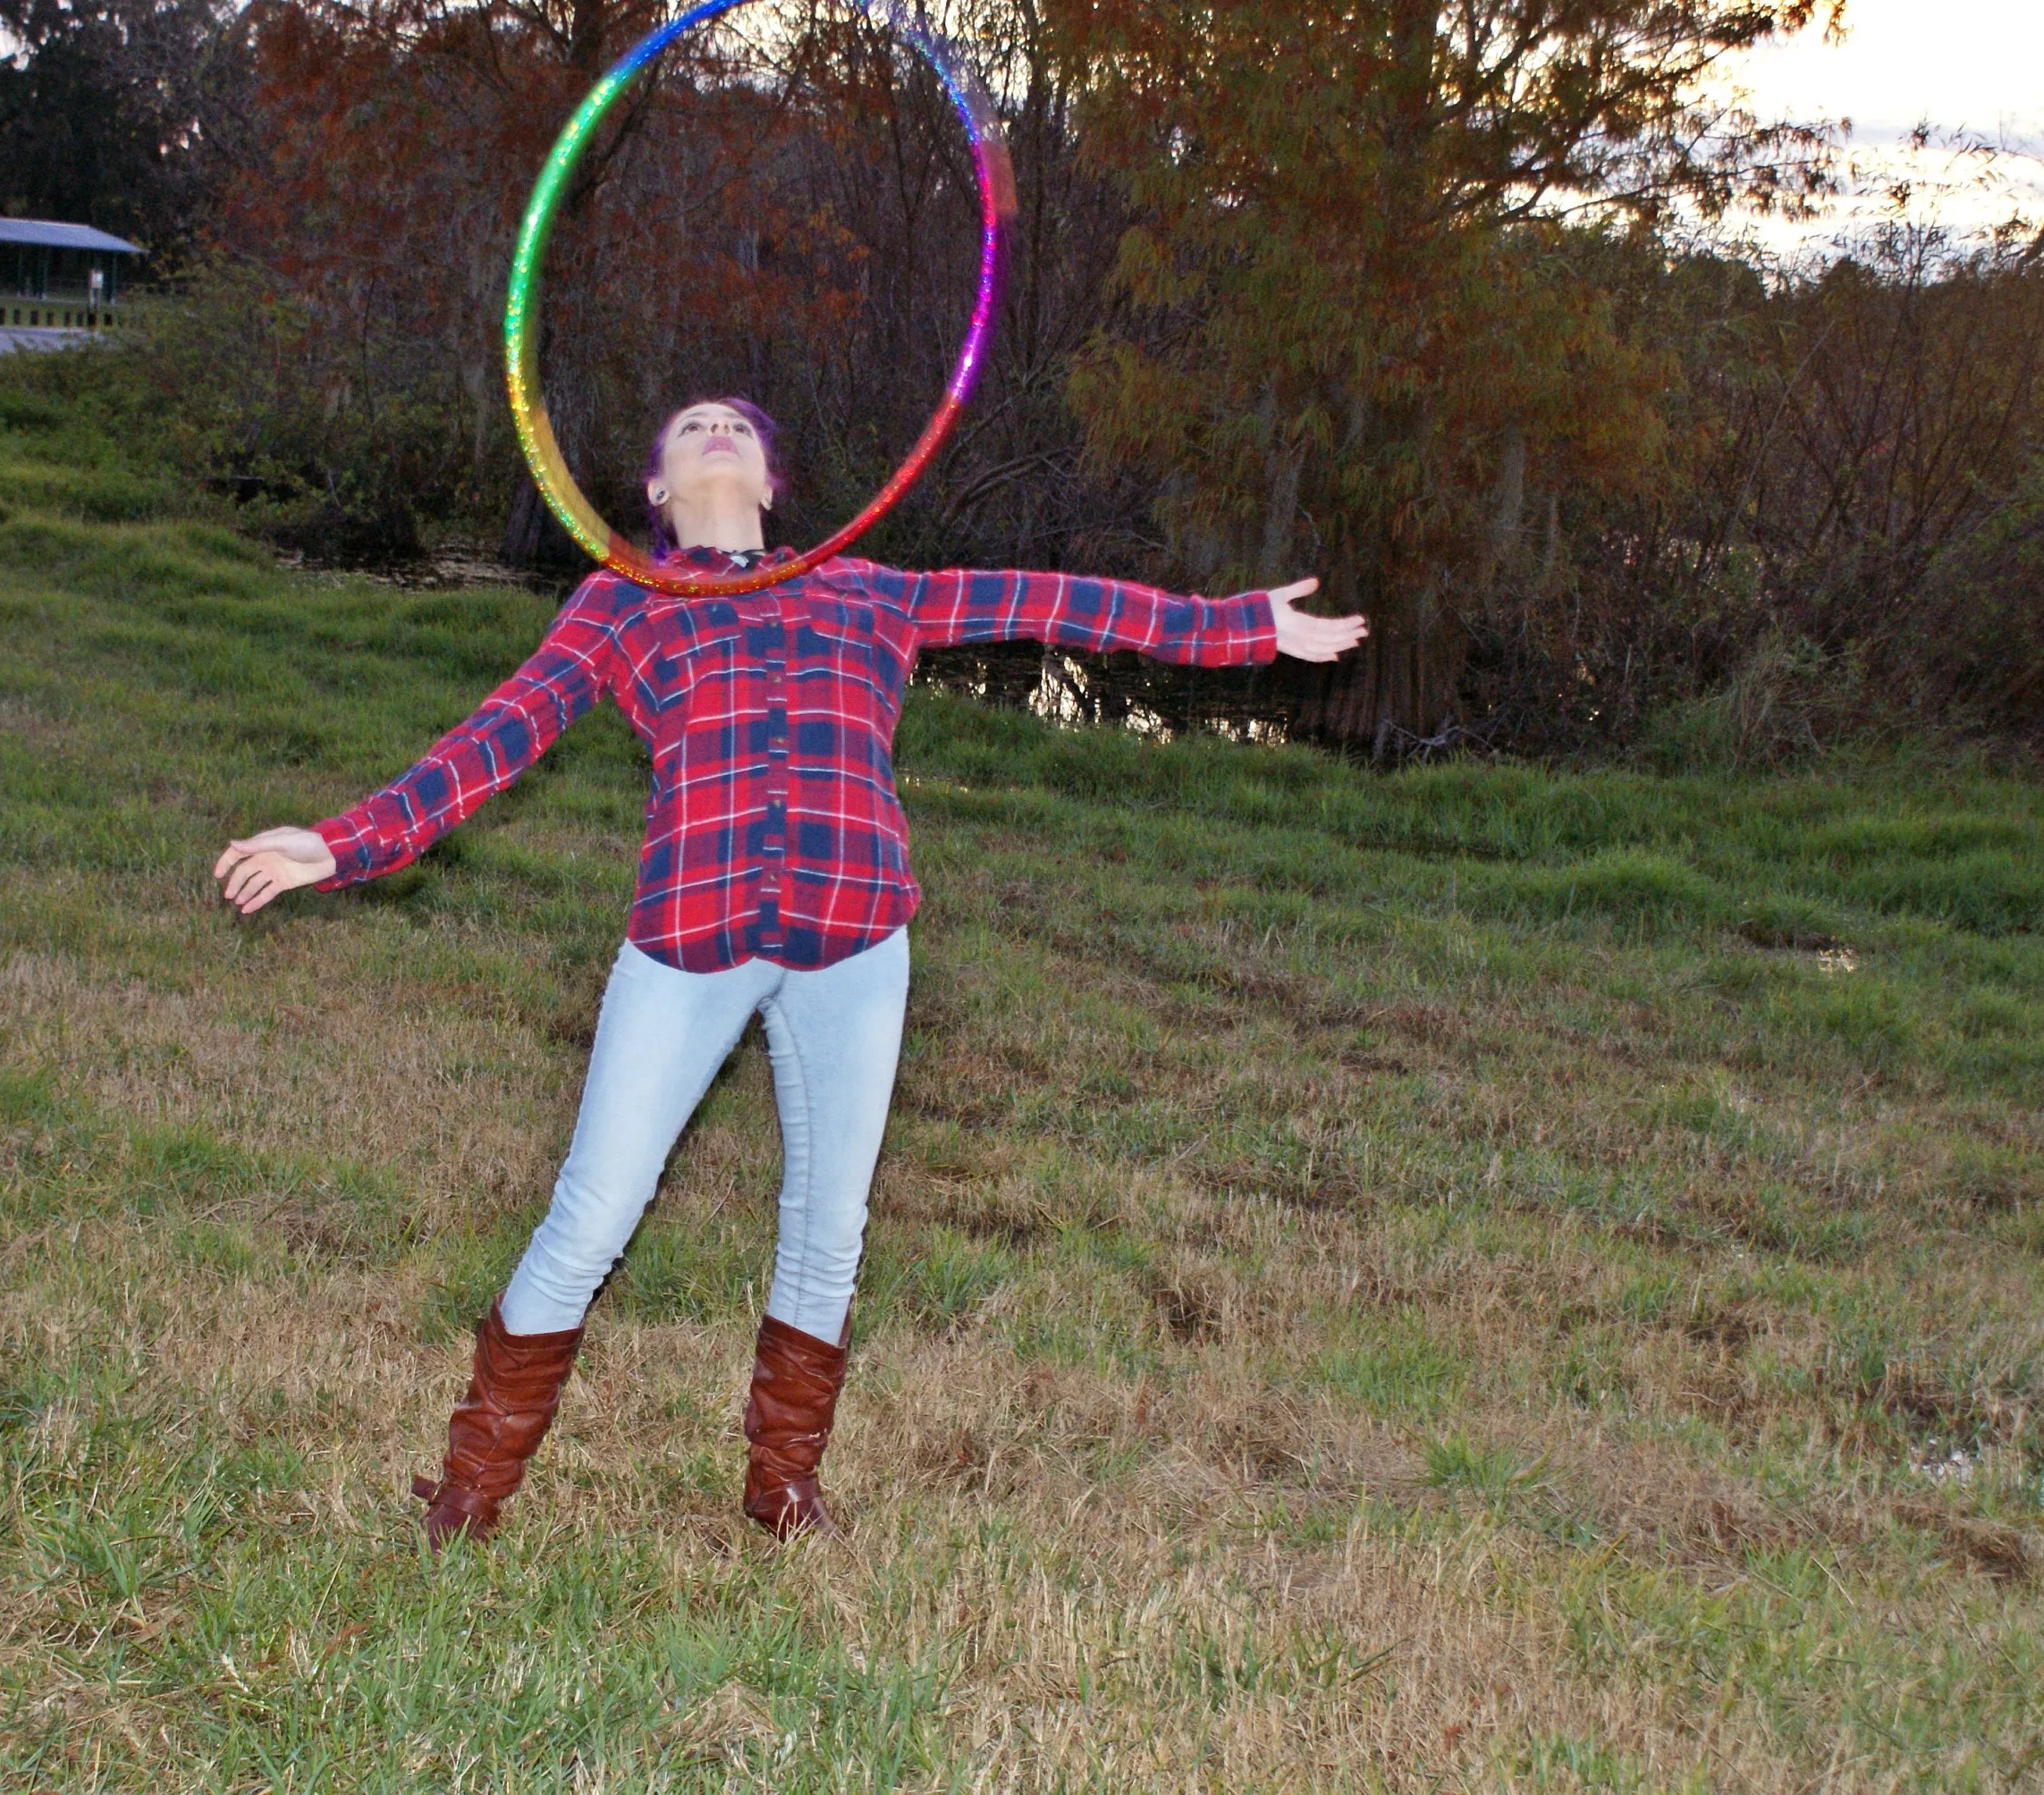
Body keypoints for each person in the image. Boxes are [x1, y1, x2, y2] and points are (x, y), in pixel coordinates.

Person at [212, 399, 1367, 1546]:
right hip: (688, 935)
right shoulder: (625, 600)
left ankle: (784, 1488)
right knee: (593, 1211)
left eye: (742, 427)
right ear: (657, 491)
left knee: (829, 1223)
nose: (718, 430)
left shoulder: (869, 591)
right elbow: (500, 732)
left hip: (857, 938)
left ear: (772, 482)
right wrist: (344, 840)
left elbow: (1055, 602)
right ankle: (470, 1491)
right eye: (690, 426)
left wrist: (1238, 626)